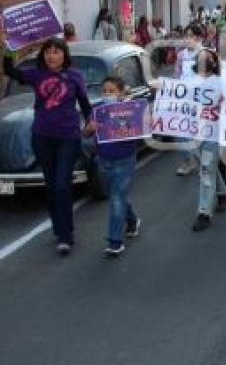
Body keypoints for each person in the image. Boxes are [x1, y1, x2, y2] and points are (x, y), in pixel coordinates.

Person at [3, 37, 92, 255]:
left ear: (64, 55)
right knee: (51, 186)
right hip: (42, 137)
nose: (52, 56)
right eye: (48, 52)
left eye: (56, 51)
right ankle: (58, 225)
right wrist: (7, 47)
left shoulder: (75, 76)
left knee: (63, 185)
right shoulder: (36, 74)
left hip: (68, 138)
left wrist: (92, 121)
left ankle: (65, 235)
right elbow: (9, 71)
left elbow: (85, 104)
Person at [85, 76, 142, 256]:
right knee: (116, 196)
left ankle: (115, 241)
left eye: (112, 91)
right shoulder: (97, 111)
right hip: (104, 160)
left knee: (116, 198)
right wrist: (90, 128)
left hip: (124, 160)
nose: (108, 94)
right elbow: (85, 133)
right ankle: (132, 220)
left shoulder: (130, 110)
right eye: (105, 91)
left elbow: (140, 134)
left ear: (121, 92)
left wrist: (130, 126)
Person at [189, 49, 226, 232]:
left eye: (205, 58)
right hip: (194, 133)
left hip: (213, 133)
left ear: (213, 62)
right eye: (199, 58)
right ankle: (222, 192)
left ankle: (204, 212)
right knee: (206, 165)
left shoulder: (221, 83)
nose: (201, 61)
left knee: (206, 171)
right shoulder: (189, 81)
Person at [175, 23, 205, 176]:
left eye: (191, 36)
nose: (188, 39)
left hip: (201, 100)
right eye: (186, 35)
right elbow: (177, 75)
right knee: (181, 133)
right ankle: (189, 160)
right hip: (184, 98)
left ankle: (201, 164)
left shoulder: (205, 54)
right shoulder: (181, 55)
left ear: (199, 37)